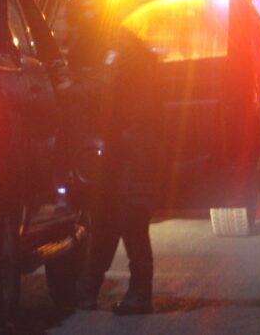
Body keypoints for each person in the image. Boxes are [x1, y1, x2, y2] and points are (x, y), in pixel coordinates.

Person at [76, 24, 161, 315]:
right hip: (127, 151)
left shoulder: (125, 58)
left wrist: (69, 89)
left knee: (129, 221)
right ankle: (89, 290)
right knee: (109, 221)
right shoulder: (134, 56)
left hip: (132, 152)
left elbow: (103, 90)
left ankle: (138, 294)